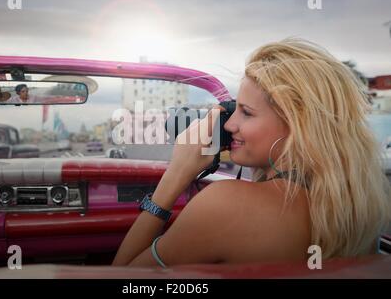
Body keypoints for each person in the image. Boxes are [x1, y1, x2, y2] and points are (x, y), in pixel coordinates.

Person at [112, 38, 391, 267]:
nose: (230, 124)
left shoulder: (228, 205)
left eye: (246, 112)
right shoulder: (358, 206)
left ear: (298, 125)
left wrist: (177, 172)